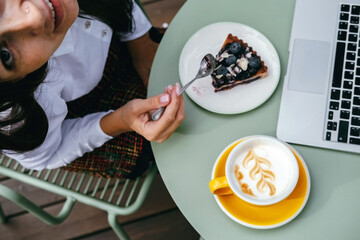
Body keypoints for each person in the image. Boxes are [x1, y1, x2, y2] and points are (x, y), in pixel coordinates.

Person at [0, 0, 185, 178]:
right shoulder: (12, 115)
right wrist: (121, 120)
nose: (36, 16)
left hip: (113, 31)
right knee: (147, 148)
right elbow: (50, 153)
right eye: (5, 55)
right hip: (78, 112)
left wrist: (139, 38)